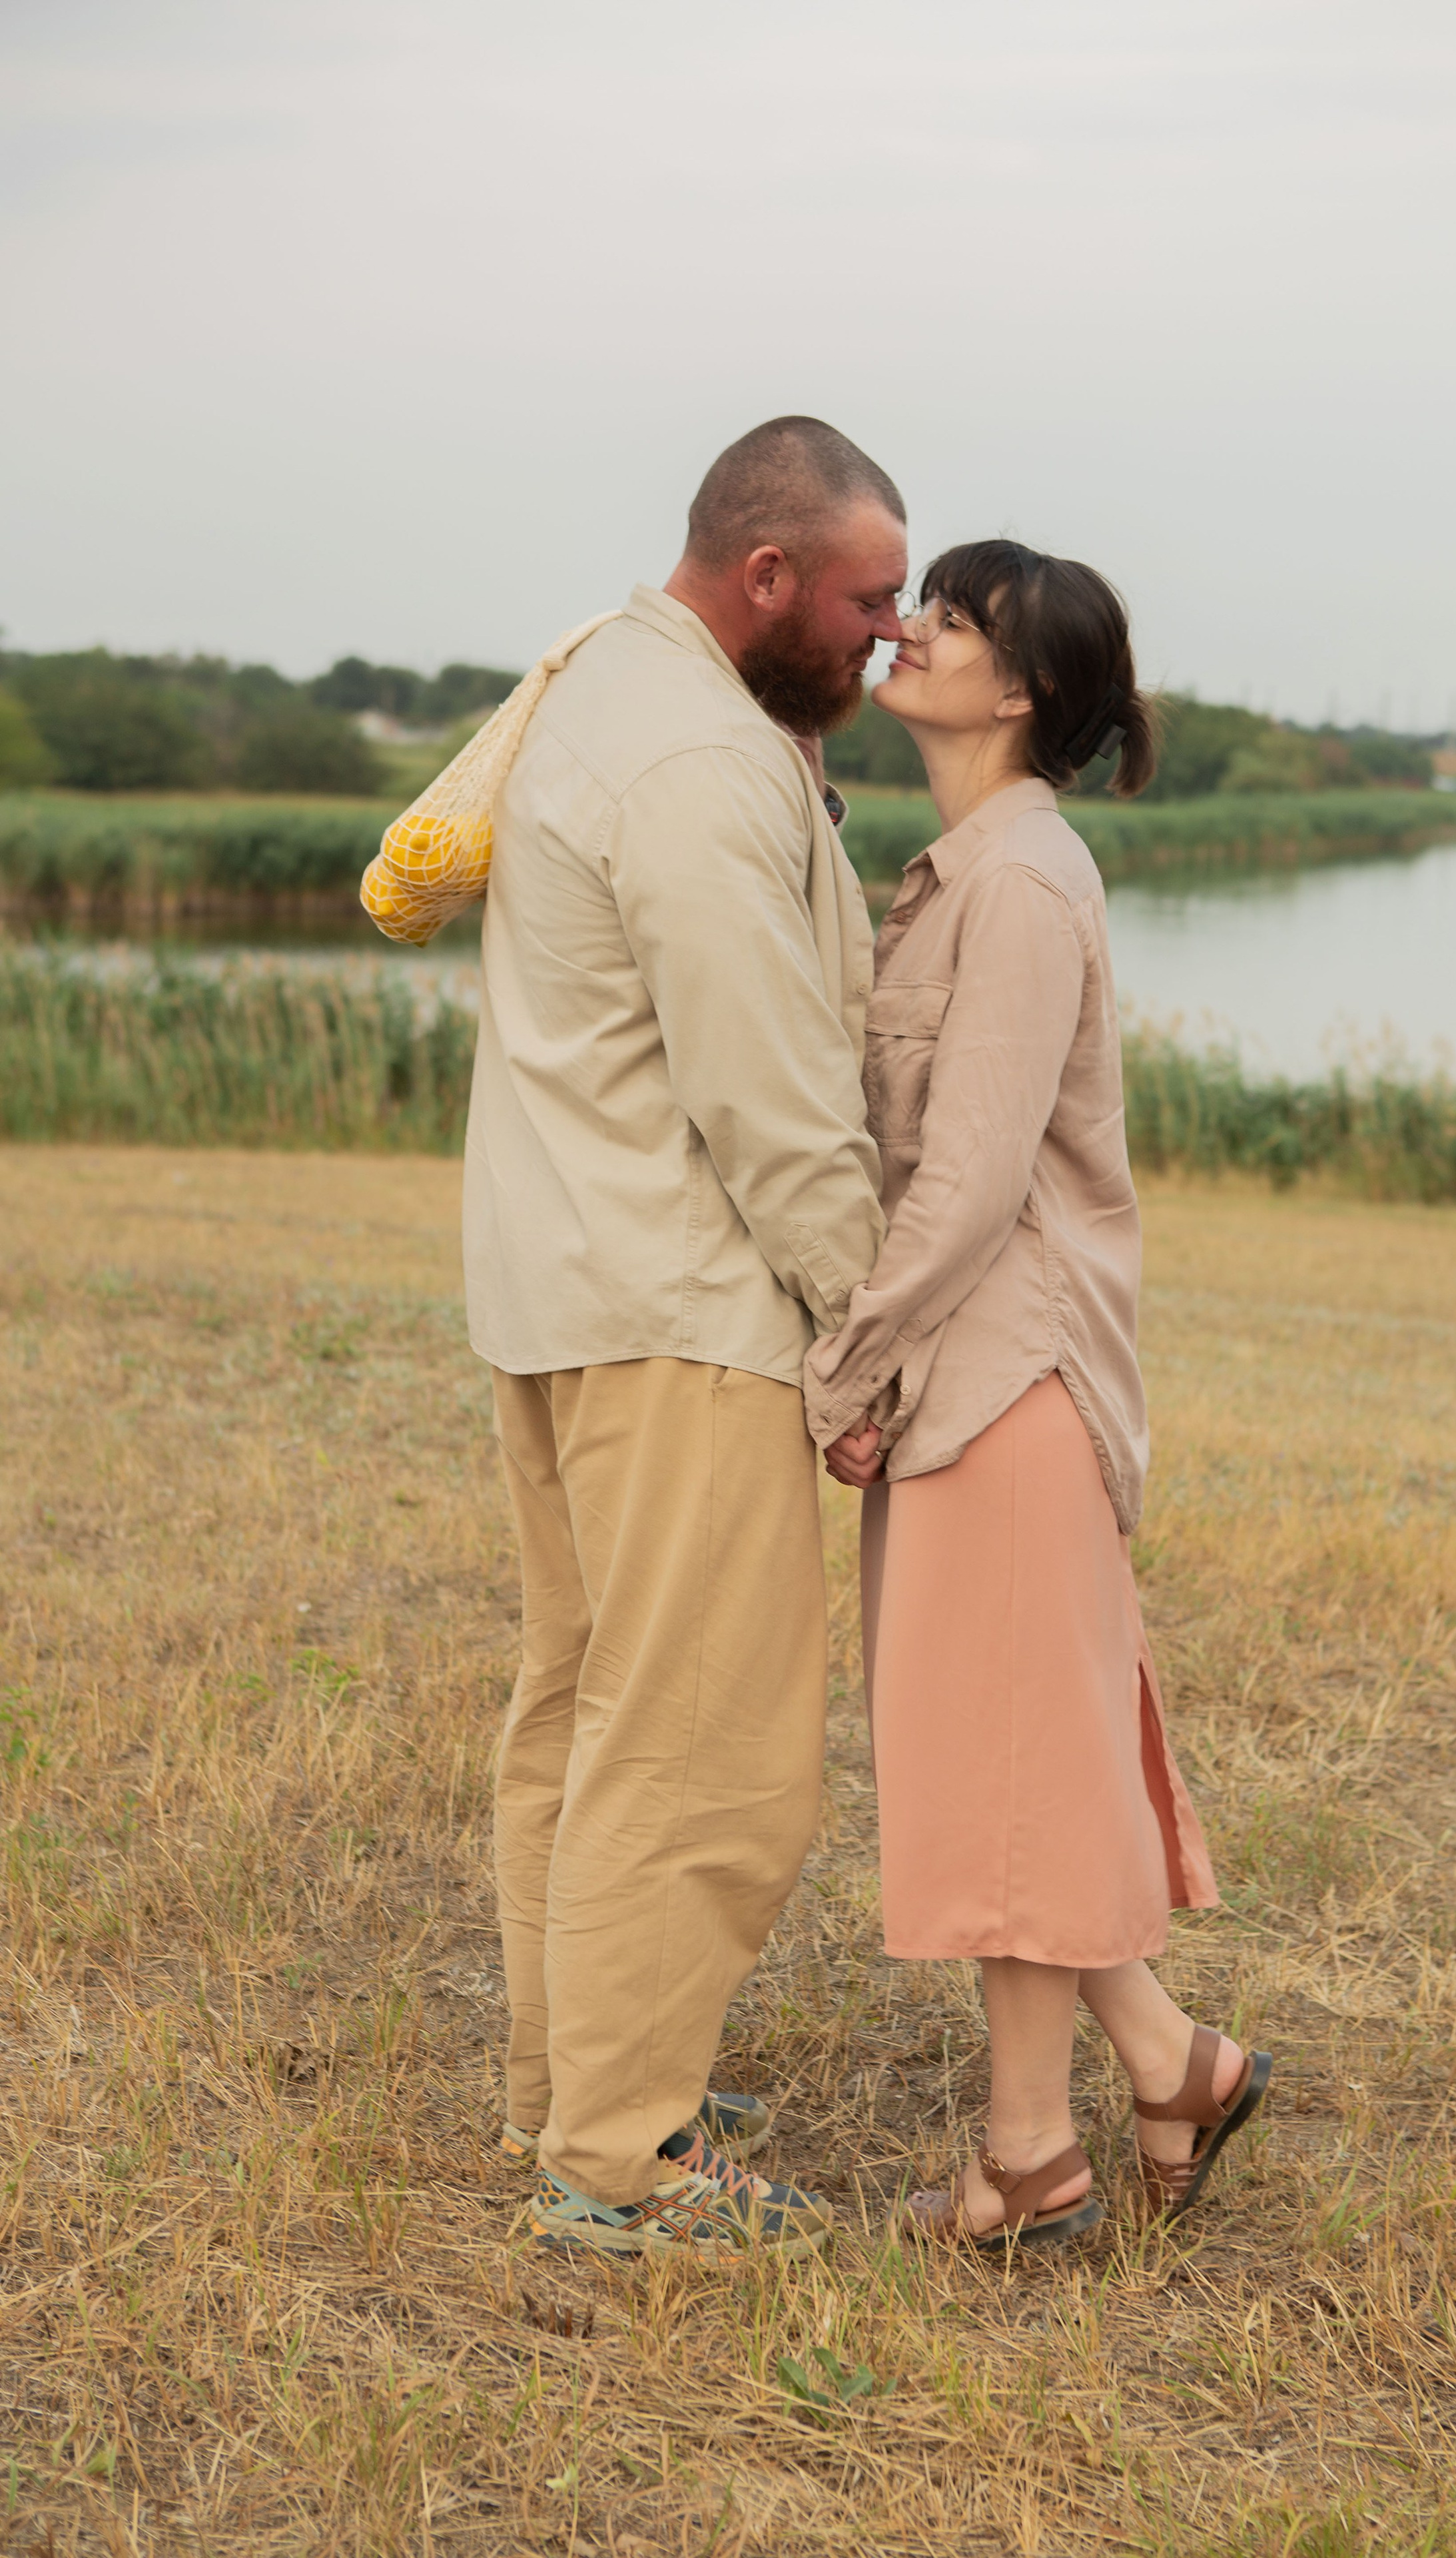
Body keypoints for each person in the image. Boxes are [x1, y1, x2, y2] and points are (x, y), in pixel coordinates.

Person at [464, 418, 907, 2258]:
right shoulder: (698, 762)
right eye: (872, 600)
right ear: (770, 577)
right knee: (704, 1743)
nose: (891, 636)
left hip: (566, 1289)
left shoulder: (614, 688)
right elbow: (773, 1090)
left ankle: (572, 2081)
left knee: (582, 1707)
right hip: (677, 1305)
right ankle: (622, 2154)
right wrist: (869, 1326)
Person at [805, 541, 1272, 2246]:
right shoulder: (972, 866)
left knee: (1005, 1762)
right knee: (1016, 1760)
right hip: (987, 1375)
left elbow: (971, 1180)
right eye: (916, 599)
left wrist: (844, 1365)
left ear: (1017, 693)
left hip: (999, 1375)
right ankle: (1143, 2078)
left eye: (952, 617)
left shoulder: (1012, 883)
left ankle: (1045, 2146)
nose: (906, 627)